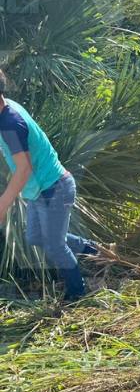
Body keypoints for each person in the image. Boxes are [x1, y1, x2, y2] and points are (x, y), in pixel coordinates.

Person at [0, 70, 98, 301]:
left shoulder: (10, 124)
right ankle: (93, 249)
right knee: (35, 237)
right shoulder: (6, 107)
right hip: (39, 190)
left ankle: (78, 293)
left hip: (54, 189)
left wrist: (3, 204)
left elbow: (24, 169)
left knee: (54, 246)